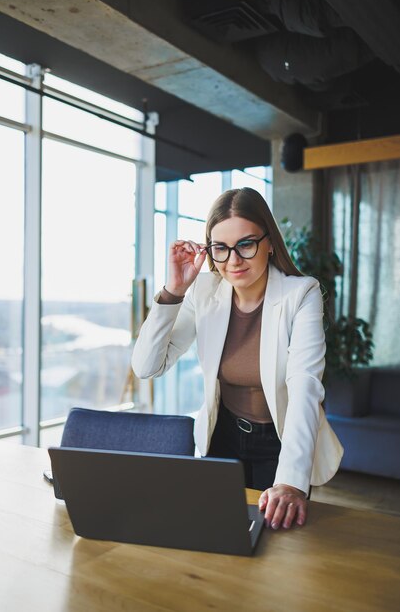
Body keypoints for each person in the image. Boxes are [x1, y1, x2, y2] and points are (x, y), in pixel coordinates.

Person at [132, 187, 343, 530]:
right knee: (219, 533)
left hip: (280, 441)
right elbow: (146, 366)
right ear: (210, 250)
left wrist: (290, 482)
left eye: (246, 244)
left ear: (269, 241)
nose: (233, 260)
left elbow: (305, 387)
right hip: (223, 436)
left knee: (276, 545)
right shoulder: (203, 292)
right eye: (221, 248)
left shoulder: (301, 294)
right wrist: (174, 291)